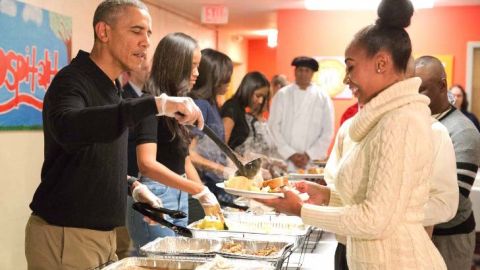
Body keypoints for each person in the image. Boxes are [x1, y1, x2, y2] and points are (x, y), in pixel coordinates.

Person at [259, 0, 447, 268]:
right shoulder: (381, 119)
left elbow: (375, 220)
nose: (346, 79)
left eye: (350, 66)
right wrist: (325, 196)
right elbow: (371, 200)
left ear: (381, 63)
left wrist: (301, 210)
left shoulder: (400, 121)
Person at [25, 1, 205, 269]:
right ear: (104, 32)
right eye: (136, 31)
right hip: (68, 233)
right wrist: (155, 104)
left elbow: (94, 157)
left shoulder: (111, 88)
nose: (145, 42)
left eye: (148, 34)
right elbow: (70, 128)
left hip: (104, 236)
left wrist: (132, 186)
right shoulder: (72, 80)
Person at [126, 33, 222, 254]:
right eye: (193, 66)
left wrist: (206, 193)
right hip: (155, 196)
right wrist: (198, 190)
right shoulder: (150, 103)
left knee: (178, 260)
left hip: (180, 193)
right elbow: (147, 164)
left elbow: (184, 159)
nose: (197, 73)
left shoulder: (180, 107)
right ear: (177, 65)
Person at [415, 55, 480, 270]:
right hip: (419, 230)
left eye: (422, 89)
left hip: (449, 237)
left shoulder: (463, 131)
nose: (416, 97)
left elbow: (455, 200)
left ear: (442, 86)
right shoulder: (419, 122)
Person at [268, 56, 334, 171]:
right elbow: (273, 126)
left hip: (311, 162)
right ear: (295, 71)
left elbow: (328, 131)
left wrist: (309, 154)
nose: (303, 74)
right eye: (300, 70)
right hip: (285, 160)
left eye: (307, 71)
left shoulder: (323, 97)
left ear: (312, 73)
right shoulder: (282, 95)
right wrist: (291, 154)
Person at [188, 48, 236, 207]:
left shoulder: (212, 103)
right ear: (214, 76)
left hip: (214, 186)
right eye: (226, 74)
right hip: (203, 187)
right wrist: (221, 169)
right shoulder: (200, 104)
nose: (229, 80)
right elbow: (190, 154)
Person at [115, 60, 151, 259]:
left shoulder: (147, 96)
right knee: (124, 241)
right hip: (126, 168)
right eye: (143, 65)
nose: (147, 69)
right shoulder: (124, 96)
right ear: (131, 69)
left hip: (137, 179)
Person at [220, 71, 271, 152]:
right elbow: (221, 145)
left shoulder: (240, 108)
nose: (261, 101)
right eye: (258, 96)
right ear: (248, 90)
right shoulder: (232, 107)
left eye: (263, 97)